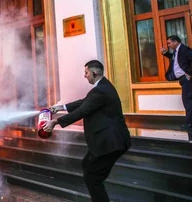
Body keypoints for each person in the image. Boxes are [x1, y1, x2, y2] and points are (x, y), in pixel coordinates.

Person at [43, 60, 131, 202]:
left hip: (111, 142)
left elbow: (83, 110)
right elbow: (84, 102)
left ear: (95, 73)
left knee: (92, 177)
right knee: (88, 166)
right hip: (106, 141)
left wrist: (56, 122)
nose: (85, 76)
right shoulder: (101, 87)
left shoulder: (101, 90)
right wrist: (60, 107)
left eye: (86, 73)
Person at [161, 35, 192, 129]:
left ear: (175, 42)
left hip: (189, 78)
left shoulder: (184, 49)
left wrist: (189, 72)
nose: (168, 45)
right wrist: (166, 53)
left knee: (188, 100)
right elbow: (176, 60)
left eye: (169, 43)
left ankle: (190, 124)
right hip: (184, 79)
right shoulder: (177, 52)